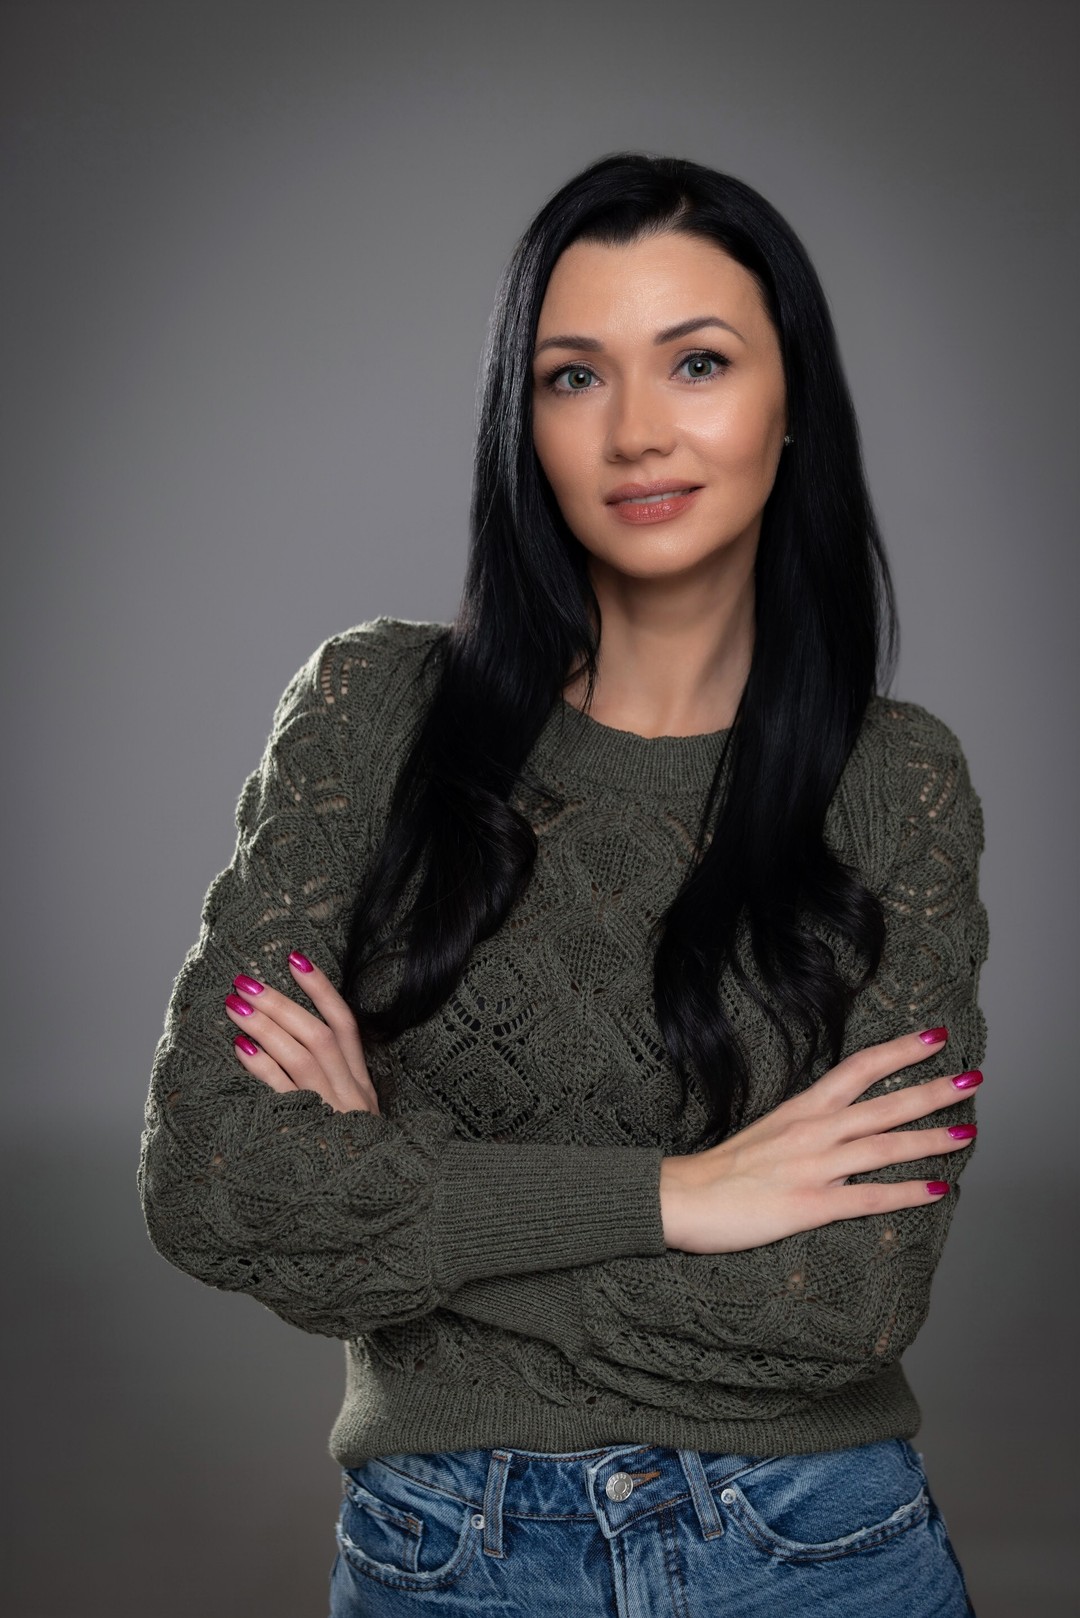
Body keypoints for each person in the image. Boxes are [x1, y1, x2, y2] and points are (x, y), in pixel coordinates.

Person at [138, 152, 988, 1616]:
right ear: (520, 423)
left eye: (699, 362)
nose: (637, 431)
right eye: (574, 376)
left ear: (793, 406)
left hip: (813, 1547)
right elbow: (214, 1183)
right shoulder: (372, 713)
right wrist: (682, 1195)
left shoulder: (895, 779)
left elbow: (848, 1301)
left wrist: (395, 1192)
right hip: (446, 1554)